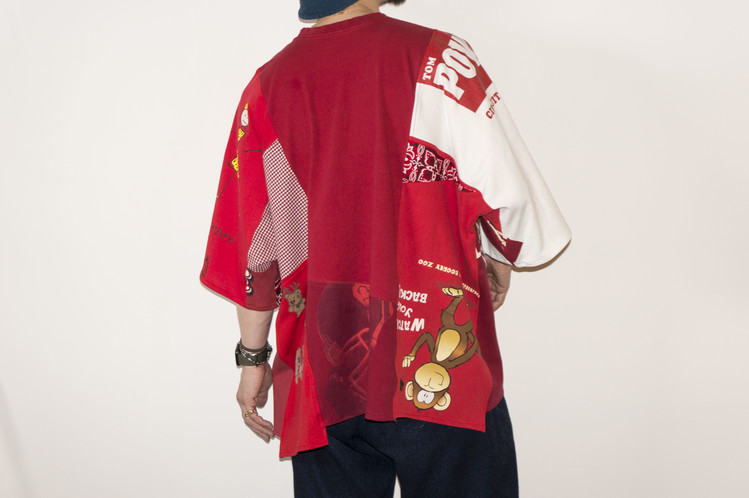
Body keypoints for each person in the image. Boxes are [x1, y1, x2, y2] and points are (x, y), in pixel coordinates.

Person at [200, 0, 571, 496]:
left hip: (324, 379)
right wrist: (501, 256)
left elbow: (256, 246)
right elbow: (515, 203)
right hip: (439, 366)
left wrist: (252, 359)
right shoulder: (441, 62)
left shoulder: (267, 87)